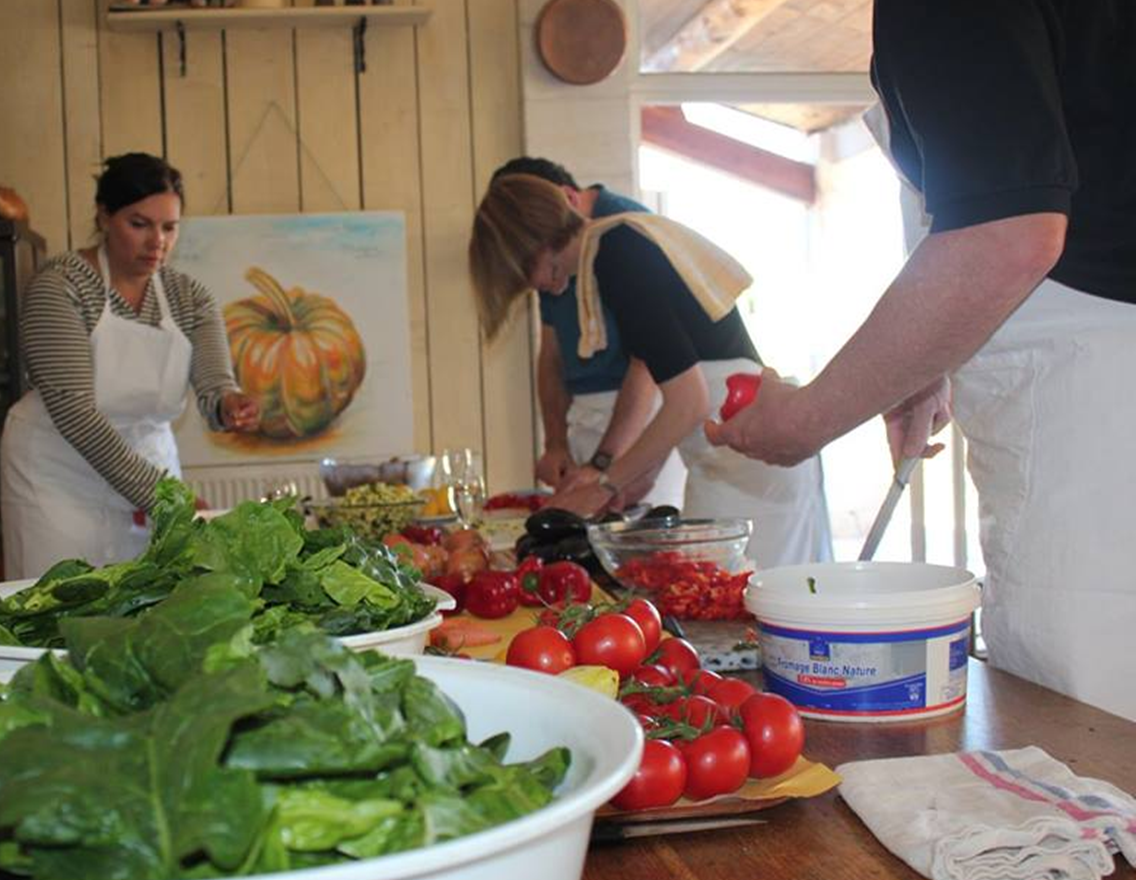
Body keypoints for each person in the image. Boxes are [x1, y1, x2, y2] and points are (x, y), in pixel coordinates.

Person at [705, 1, 1135, 720]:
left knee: (1092, 733)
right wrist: (922, 364)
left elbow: (1010, 236)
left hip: (1095, 401)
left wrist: (808, 419)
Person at [470, 174, 832, 569]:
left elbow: (689, 402)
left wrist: (606, 484)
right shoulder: (614, 249)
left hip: (752, 466)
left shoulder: (617, 254)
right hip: (727, 458)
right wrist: (639, 475)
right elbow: (663, 375)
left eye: (526, 274)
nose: (536, 286)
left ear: (535, 245)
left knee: (747, 602)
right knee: (711, 588)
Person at [0, 153, 259, 579]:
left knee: (148, 600)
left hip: (148, 462)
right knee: (57, 604)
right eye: (139, 224)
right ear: (104, 217)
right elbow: (76, 415)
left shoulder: (188, 296)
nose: (157, 241)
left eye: (169, 227)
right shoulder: (61, 285)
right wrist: (165, 498)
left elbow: (215, 387)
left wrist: (231, 405)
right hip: (57, 472)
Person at [489, 157, 676, 506]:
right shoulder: (549, 247)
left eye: (554, 271)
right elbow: (551, 355)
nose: (553, 284)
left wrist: (603, 465)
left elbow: (648, 367)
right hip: (587, 422)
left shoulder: (624, 233)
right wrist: (556, 443)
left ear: (561, 200)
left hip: (640, 419)